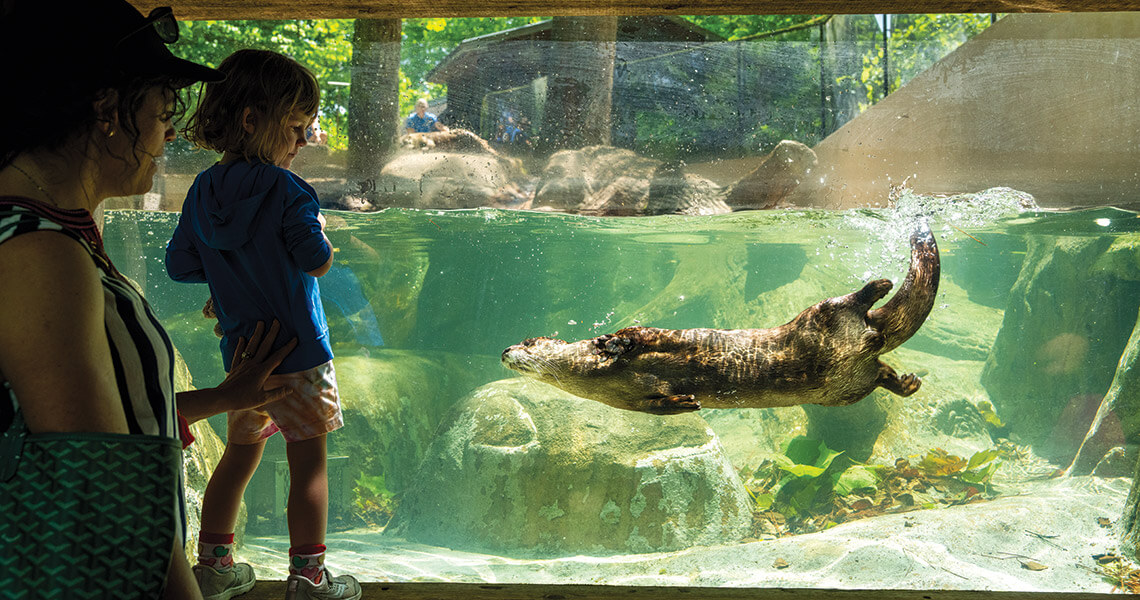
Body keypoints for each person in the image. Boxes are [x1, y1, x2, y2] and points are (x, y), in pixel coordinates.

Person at [0, 1, 298, 599]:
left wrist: (225, 397)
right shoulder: (40, 252)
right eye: (163, 112)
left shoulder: (47, 233)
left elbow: (98, 418)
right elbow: (104, 490)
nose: (171, 132)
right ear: (109, 111)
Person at [167, 49, 361, 600]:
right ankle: (309, 578)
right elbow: (313, 260)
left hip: (243, 362)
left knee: (240, 454)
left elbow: (180, 264)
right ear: (253, 120)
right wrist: (324, 235)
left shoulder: (201, 190)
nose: (303, 141)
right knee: (309, 464)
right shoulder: (287, 189)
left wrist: (226, 282)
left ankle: (214, 567)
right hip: (302, 355)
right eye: (296, 128)